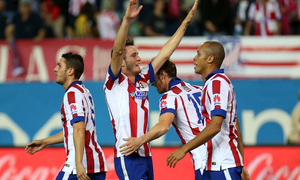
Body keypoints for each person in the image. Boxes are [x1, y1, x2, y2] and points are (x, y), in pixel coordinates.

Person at [103, 0, 198, 179]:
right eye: (134, 55)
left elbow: (165, 52)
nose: (139, 58)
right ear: (122, 63)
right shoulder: (113, 82)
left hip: (145, 154)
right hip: (127, 154)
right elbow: (116, 52)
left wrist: (185, 23)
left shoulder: (144, 77)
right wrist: (126, 20)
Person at [166, 41, 250, 180]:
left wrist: (184, 149)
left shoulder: (217, 83)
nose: (194, 58)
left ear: (210, 59)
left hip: (224, 164)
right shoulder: (211, 84)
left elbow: (216, 126)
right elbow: (236, 125)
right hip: (213, 164)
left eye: (199, 54)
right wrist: (240, 163)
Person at [119, 59, 207, 179]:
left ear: (163, 74)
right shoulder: (201, 89)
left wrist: (140, 141)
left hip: (204, 160)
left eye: (153, 76)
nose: (151, 82)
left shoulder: (170, 97)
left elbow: (163, 126)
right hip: (224, 156)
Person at [25, 52, 107, 180]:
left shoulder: (72, 94)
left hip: (79, 165)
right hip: (97, 164)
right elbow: (73, 131)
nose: (55, 69)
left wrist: (79, 163)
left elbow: (79, 128)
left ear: (70, 71)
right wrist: (45, 142)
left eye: (59, 65)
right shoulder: (85, 91)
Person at [5, 0, 46, 76]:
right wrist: (9, 37)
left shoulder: (35, 17)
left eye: (27, 6)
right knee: (13, 46)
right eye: (23, 6)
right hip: (18, 42)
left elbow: (42, 30)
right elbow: (9, 29)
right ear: (20, 7)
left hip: (32, 42)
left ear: (30, 7)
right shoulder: (16, 17)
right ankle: (16, 65)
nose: (25, 8)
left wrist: (39, 37)